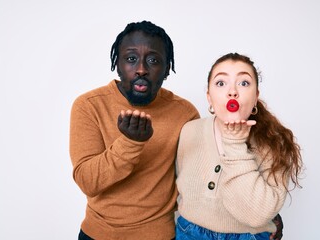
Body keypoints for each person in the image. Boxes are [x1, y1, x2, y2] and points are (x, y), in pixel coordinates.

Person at [70, 20, 284, 240]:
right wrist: (129, 143)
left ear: (166, 69)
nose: (141, 69)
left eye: (153, 60)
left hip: (161, 235)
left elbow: (201, 178)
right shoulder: (89, 105)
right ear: (118, 64)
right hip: (98, 234)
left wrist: (265, 217)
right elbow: (88, 182)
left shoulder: (184, 113)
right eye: (131, 59)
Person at [175, 53, 302, 240]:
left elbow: (257, 215)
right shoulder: (189, 131)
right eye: (221, 83)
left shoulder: (275, 141)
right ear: (209, 97)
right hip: (188, 233)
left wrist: (234, 143)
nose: (232, 91)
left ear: (256, 96)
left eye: (243, 83)